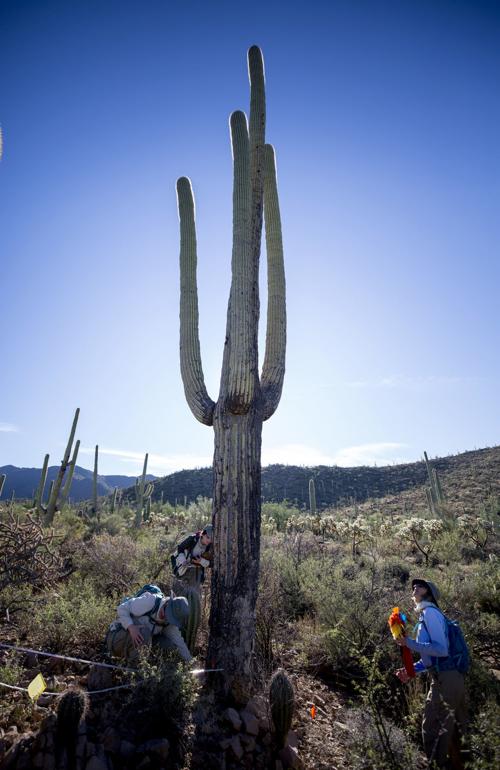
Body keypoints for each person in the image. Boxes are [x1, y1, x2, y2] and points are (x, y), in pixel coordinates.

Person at [394, 578, 467, 769]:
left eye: (420, 586)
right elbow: (430, 658)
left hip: (447, 678)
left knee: (434, 727)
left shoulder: (430, 614)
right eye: (414, 586)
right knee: (446, 729)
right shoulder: (425, 615)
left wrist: (408, 643)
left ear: (428, 593)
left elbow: (441, 650)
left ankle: (436, 765)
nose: (415, 587)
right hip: (445, 677)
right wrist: (411, 671)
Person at [106, 589, 192, 666]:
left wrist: (190, 664)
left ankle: (149, 666)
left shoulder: (169, 624)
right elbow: (122, 608)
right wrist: (131, 627)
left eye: (169, 617)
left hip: (139, 645)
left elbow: (180, 643)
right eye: (167, 611)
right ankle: (134, 670)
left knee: (168, 645)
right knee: (145, 633)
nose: (164, 616)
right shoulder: (150, 601)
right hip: (116, 638)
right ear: (167, 603)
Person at [170, 524, 213, 593]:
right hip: (183, 569)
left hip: (196, 573)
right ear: (202, 534)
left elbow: (211, 564)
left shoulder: (210, 547)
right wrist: (183, 561)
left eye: (211, 538)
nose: (209, 540)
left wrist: (201, 561)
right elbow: (180, 548)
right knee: (179, 592)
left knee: (193, 595)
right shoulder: (192, 539)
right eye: (207, 537)